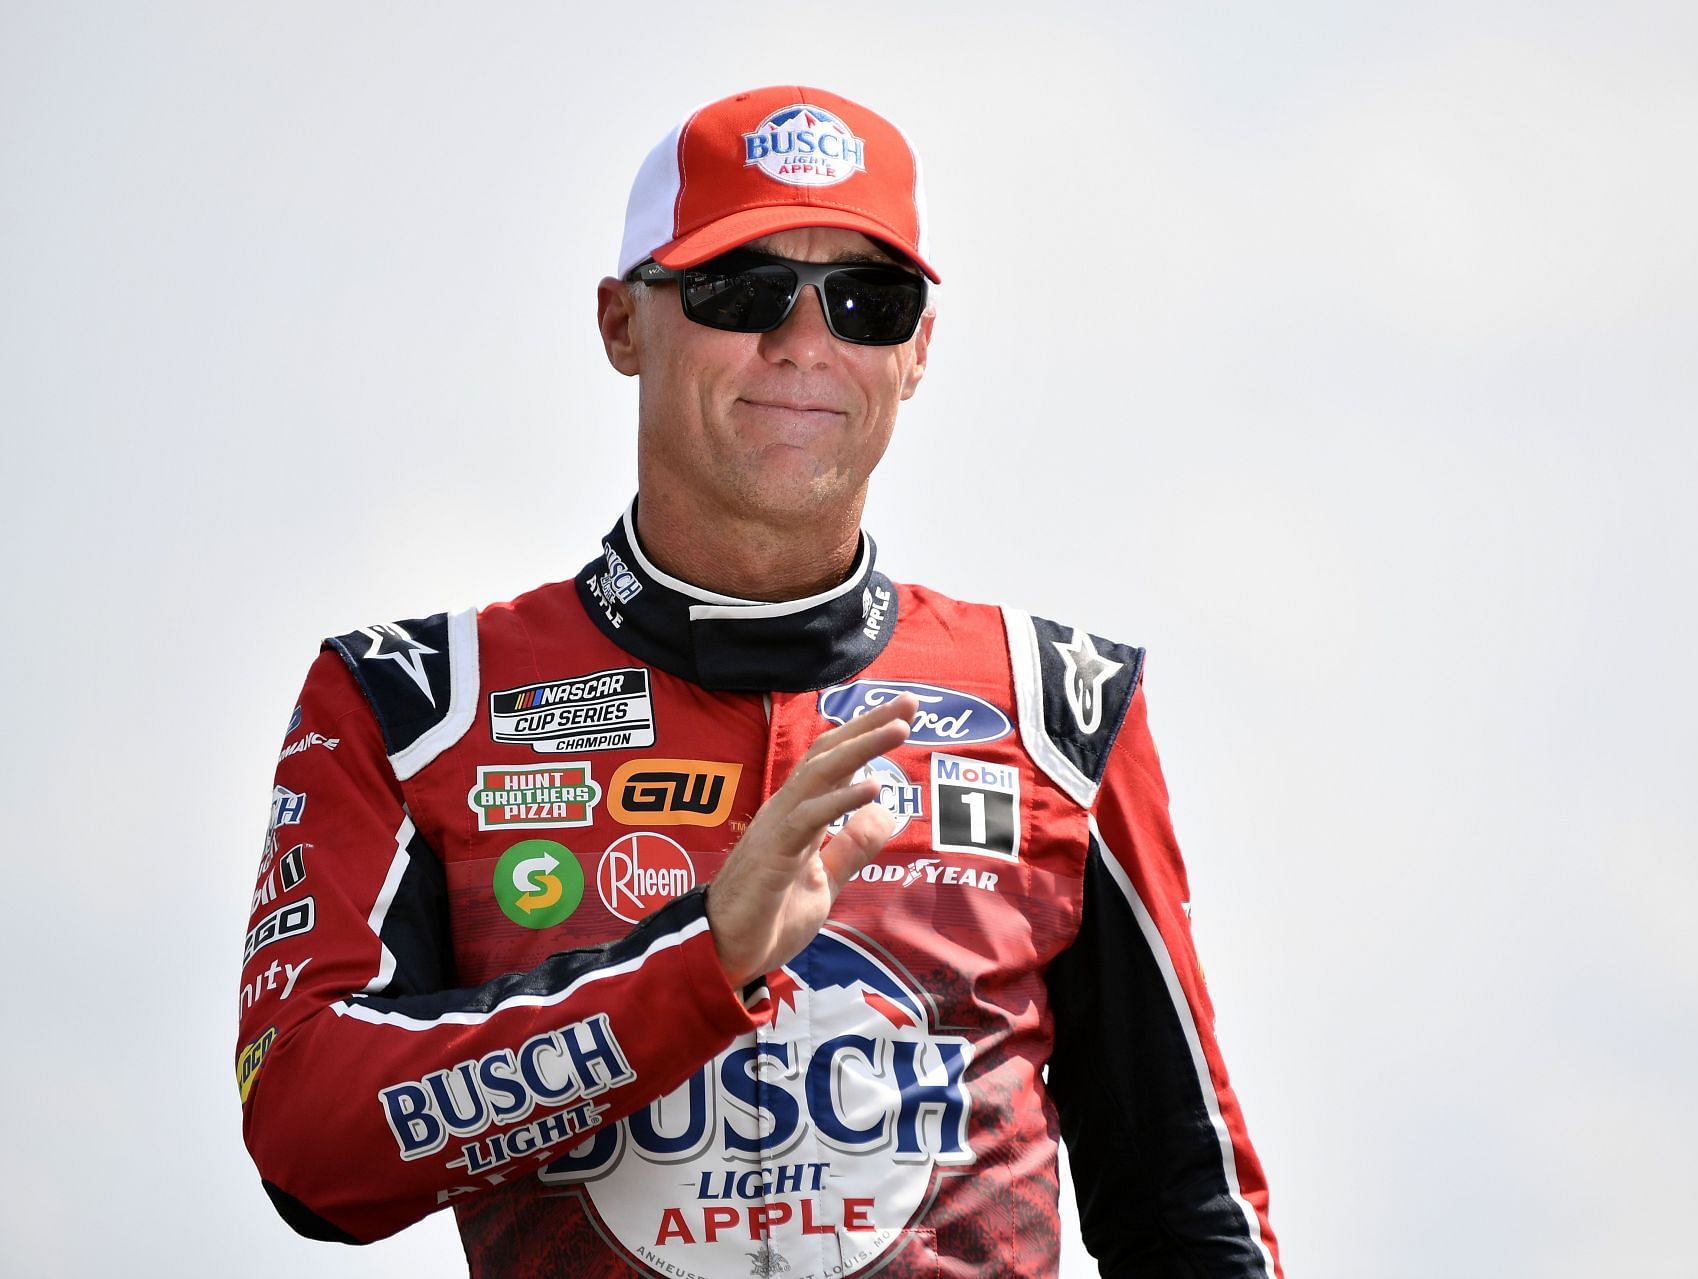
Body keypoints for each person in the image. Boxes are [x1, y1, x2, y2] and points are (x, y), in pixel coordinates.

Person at [237, 84, 1282, 1279]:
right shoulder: (414, 702)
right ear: (621, 325)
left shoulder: (1059, 707)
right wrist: (700, 965)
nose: (806, 341)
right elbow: (308, 1152)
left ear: (921, 350)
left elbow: (1188, 1217)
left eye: (867, 300)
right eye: (744, 290)